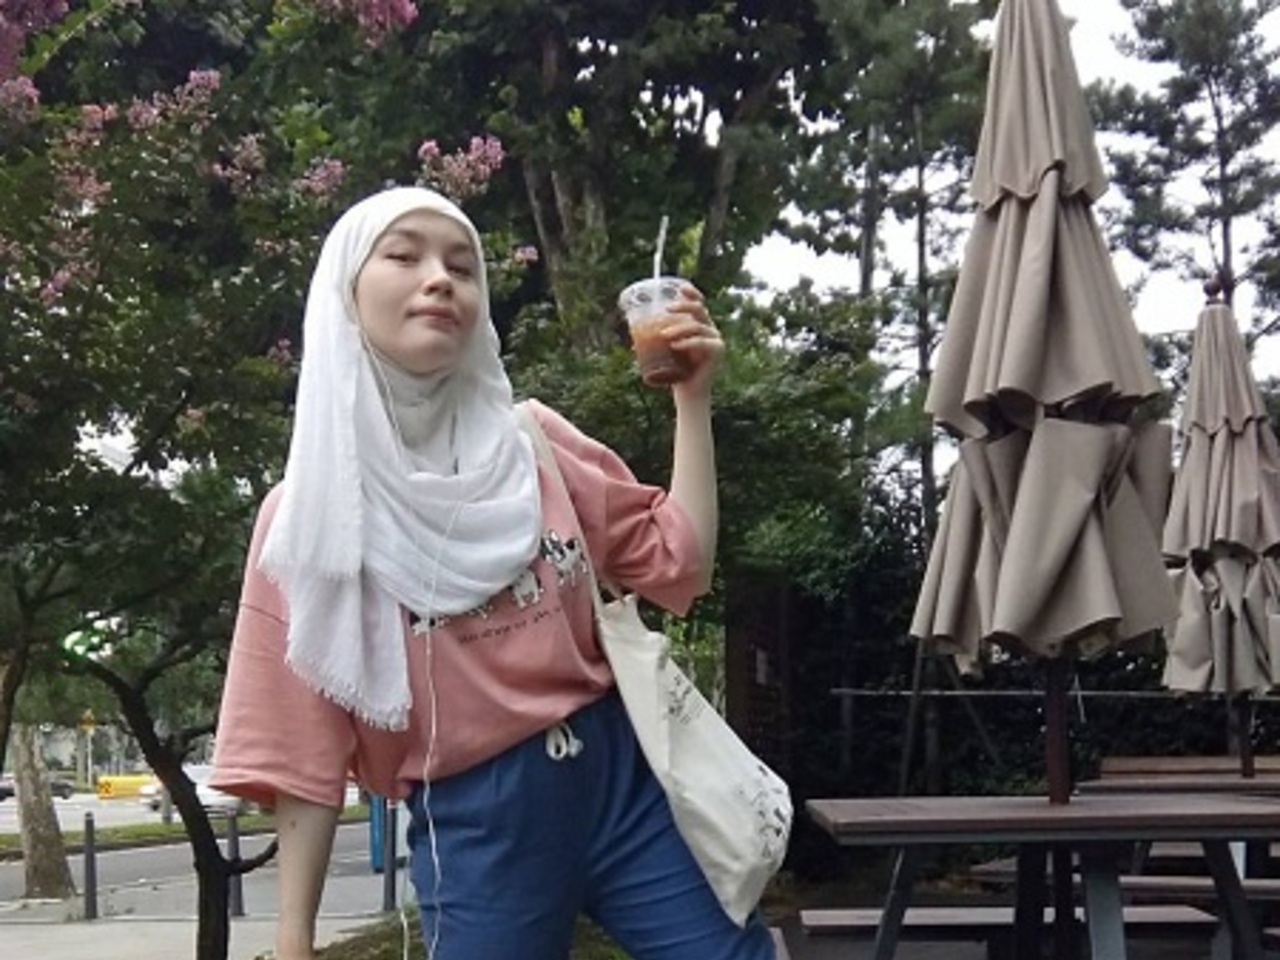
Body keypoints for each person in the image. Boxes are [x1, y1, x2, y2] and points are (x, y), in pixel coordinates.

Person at [210, 185, 779, 960]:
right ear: (344, 291)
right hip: (478, 819)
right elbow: (299, 748)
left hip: (622, 782)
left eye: (461, 266)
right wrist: (294, 941)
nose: (439, 280)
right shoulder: (312, 515)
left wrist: (692, 398)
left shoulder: (534, 447)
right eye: (403, 255)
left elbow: (681, 560)